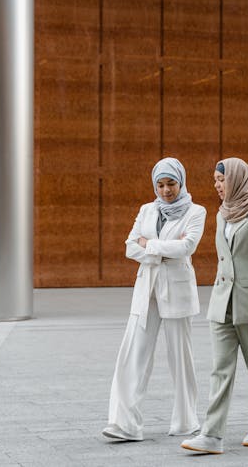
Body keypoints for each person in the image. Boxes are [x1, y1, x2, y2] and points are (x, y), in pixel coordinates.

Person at [102, 157, 207, 442]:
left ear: (181, 182)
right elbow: (129, 247)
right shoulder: (146, 210)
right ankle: (124, 424)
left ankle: (186, 422)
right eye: (160, 185)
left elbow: (188, 246)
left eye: (171, 184)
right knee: (132, 354)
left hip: (177, 292)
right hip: (145, 292)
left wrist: (150, 245)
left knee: (180, 359)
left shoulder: (196, 212)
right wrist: (163, 250)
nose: (165, 190)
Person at [180, 157, 248, 454]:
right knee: (220, 369)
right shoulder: (222, 215)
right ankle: (212, 435)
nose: (218, 186)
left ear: (237, 179)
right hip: (221, 303)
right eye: (215, 181)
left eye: (221, 180)